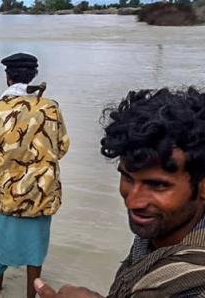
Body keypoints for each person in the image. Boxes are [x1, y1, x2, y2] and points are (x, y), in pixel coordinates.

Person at [34, 88, 205, 298]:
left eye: (157, 185)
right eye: (128, 178)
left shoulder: (194, 283)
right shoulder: (161, 228)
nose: (133, 201)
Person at [0, 53, 70, 298]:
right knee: (35, 250)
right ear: (33, 76)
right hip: (41, 194)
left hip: (6, 195)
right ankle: (32, 294)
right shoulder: (51, 107)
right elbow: (61, 147)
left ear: (8, 78)